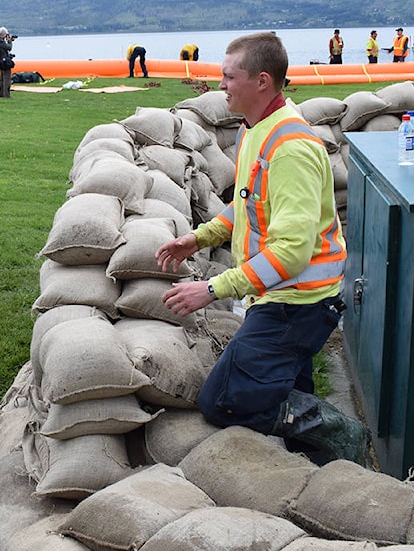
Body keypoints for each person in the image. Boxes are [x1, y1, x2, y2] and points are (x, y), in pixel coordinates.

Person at [155, 31, 368, 466]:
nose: (221, 86)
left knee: (223, 400)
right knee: (287, 386)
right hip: (279, 296)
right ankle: (319, 467)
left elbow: (291, 252)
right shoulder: (254, 130)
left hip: (297, 304)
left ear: (263, 81)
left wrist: (213, 289)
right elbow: (249, 204)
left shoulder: (291, 149)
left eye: (229, 77)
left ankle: (338, 428)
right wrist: (201, 236)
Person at [0, 27, 15, 98]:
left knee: (2, 79)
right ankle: (6, 95)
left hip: (1, 61)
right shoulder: (1, 42)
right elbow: (9, 48)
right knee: (7, 79)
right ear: (3, 34)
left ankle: (1, 94)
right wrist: (10, 41)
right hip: (5, 62)